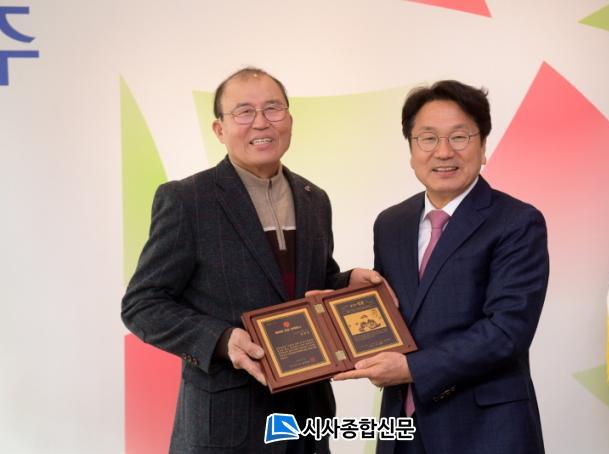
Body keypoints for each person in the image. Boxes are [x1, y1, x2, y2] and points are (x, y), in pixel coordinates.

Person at [122, 67, 379, 454]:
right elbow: (143, 304)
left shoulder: (314, 198)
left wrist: (346, 284)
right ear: (219, 129)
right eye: (244, 111)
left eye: (273, 108)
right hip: (228, 425)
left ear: (289, 119)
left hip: (307, 418)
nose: (261, 122)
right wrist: (222, 340)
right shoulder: (188, 200)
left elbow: (307, 285)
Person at [334, 80, 549, 454]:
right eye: (428, 138)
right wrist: (339, 303)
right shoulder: (391, 223)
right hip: (402, 429)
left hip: (486, 431)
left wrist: (413, 369)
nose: (444, 152)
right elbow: (393, 319)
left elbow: (507, 330)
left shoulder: (517, 221)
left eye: (459, 137)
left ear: (483, 146)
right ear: (411, 149)